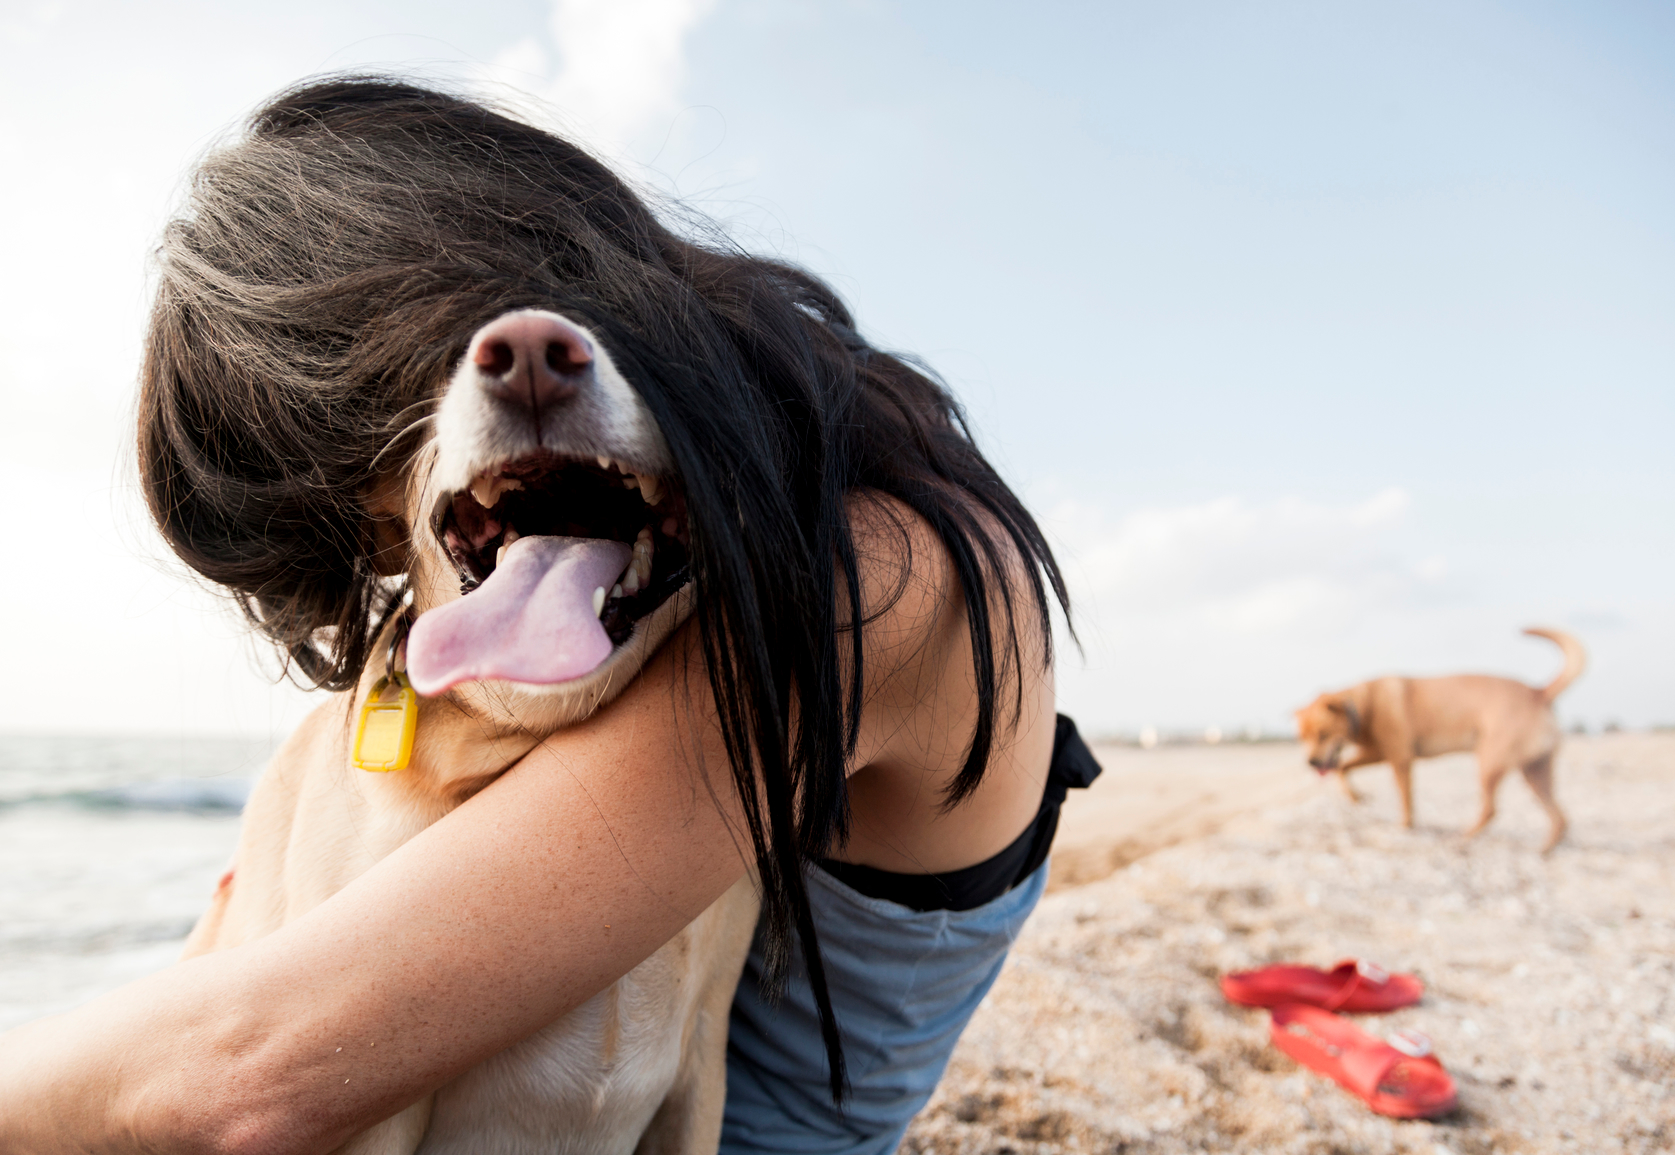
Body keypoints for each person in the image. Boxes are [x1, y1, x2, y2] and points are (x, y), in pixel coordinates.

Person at [0, 77, 1096, 1155]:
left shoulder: (865, 584)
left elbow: (246, 1078)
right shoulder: (790, 510)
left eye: (394, 384)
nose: (503, 363)